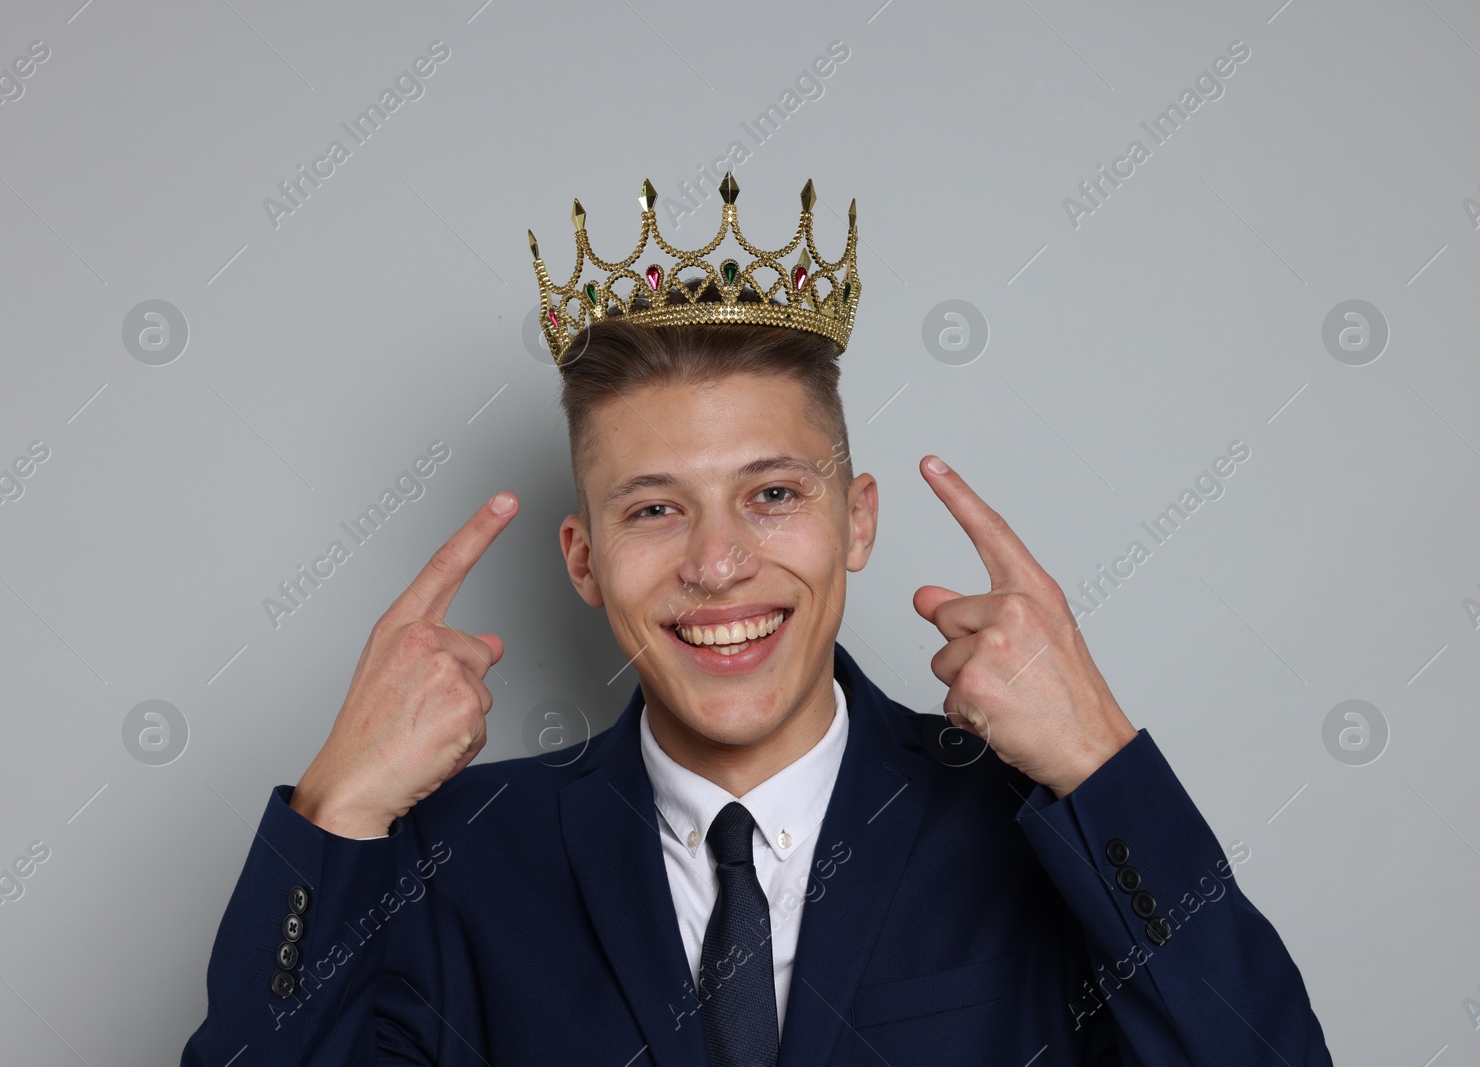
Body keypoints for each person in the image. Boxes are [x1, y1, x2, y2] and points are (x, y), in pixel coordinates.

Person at [181, 176, 1333, 1065]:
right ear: (582, 560)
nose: (719, 563)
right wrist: (337, 809)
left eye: (773, 494)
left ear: (857, 521)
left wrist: (1100, 761)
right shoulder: (459, 857)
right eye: (652, 509)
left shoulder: (1039, 828)